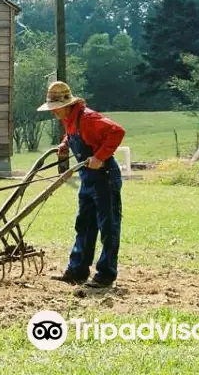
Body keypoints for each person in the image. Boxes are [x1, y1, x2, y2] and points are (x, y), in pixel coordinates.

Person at [38, 81, 125, 288]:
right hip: (88, 178)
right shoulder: (70, 119)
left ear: (67, 104)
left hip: (105, 176)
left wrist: (99, 157)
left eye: (55, 109)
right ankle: (77, 271)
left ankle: (105, 274)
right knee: (84, 225)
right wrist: (65, 145)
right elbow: (73, 135)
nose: (53, 113)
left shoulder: (88, 118)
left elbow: (117, 131)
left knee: (108, 227)